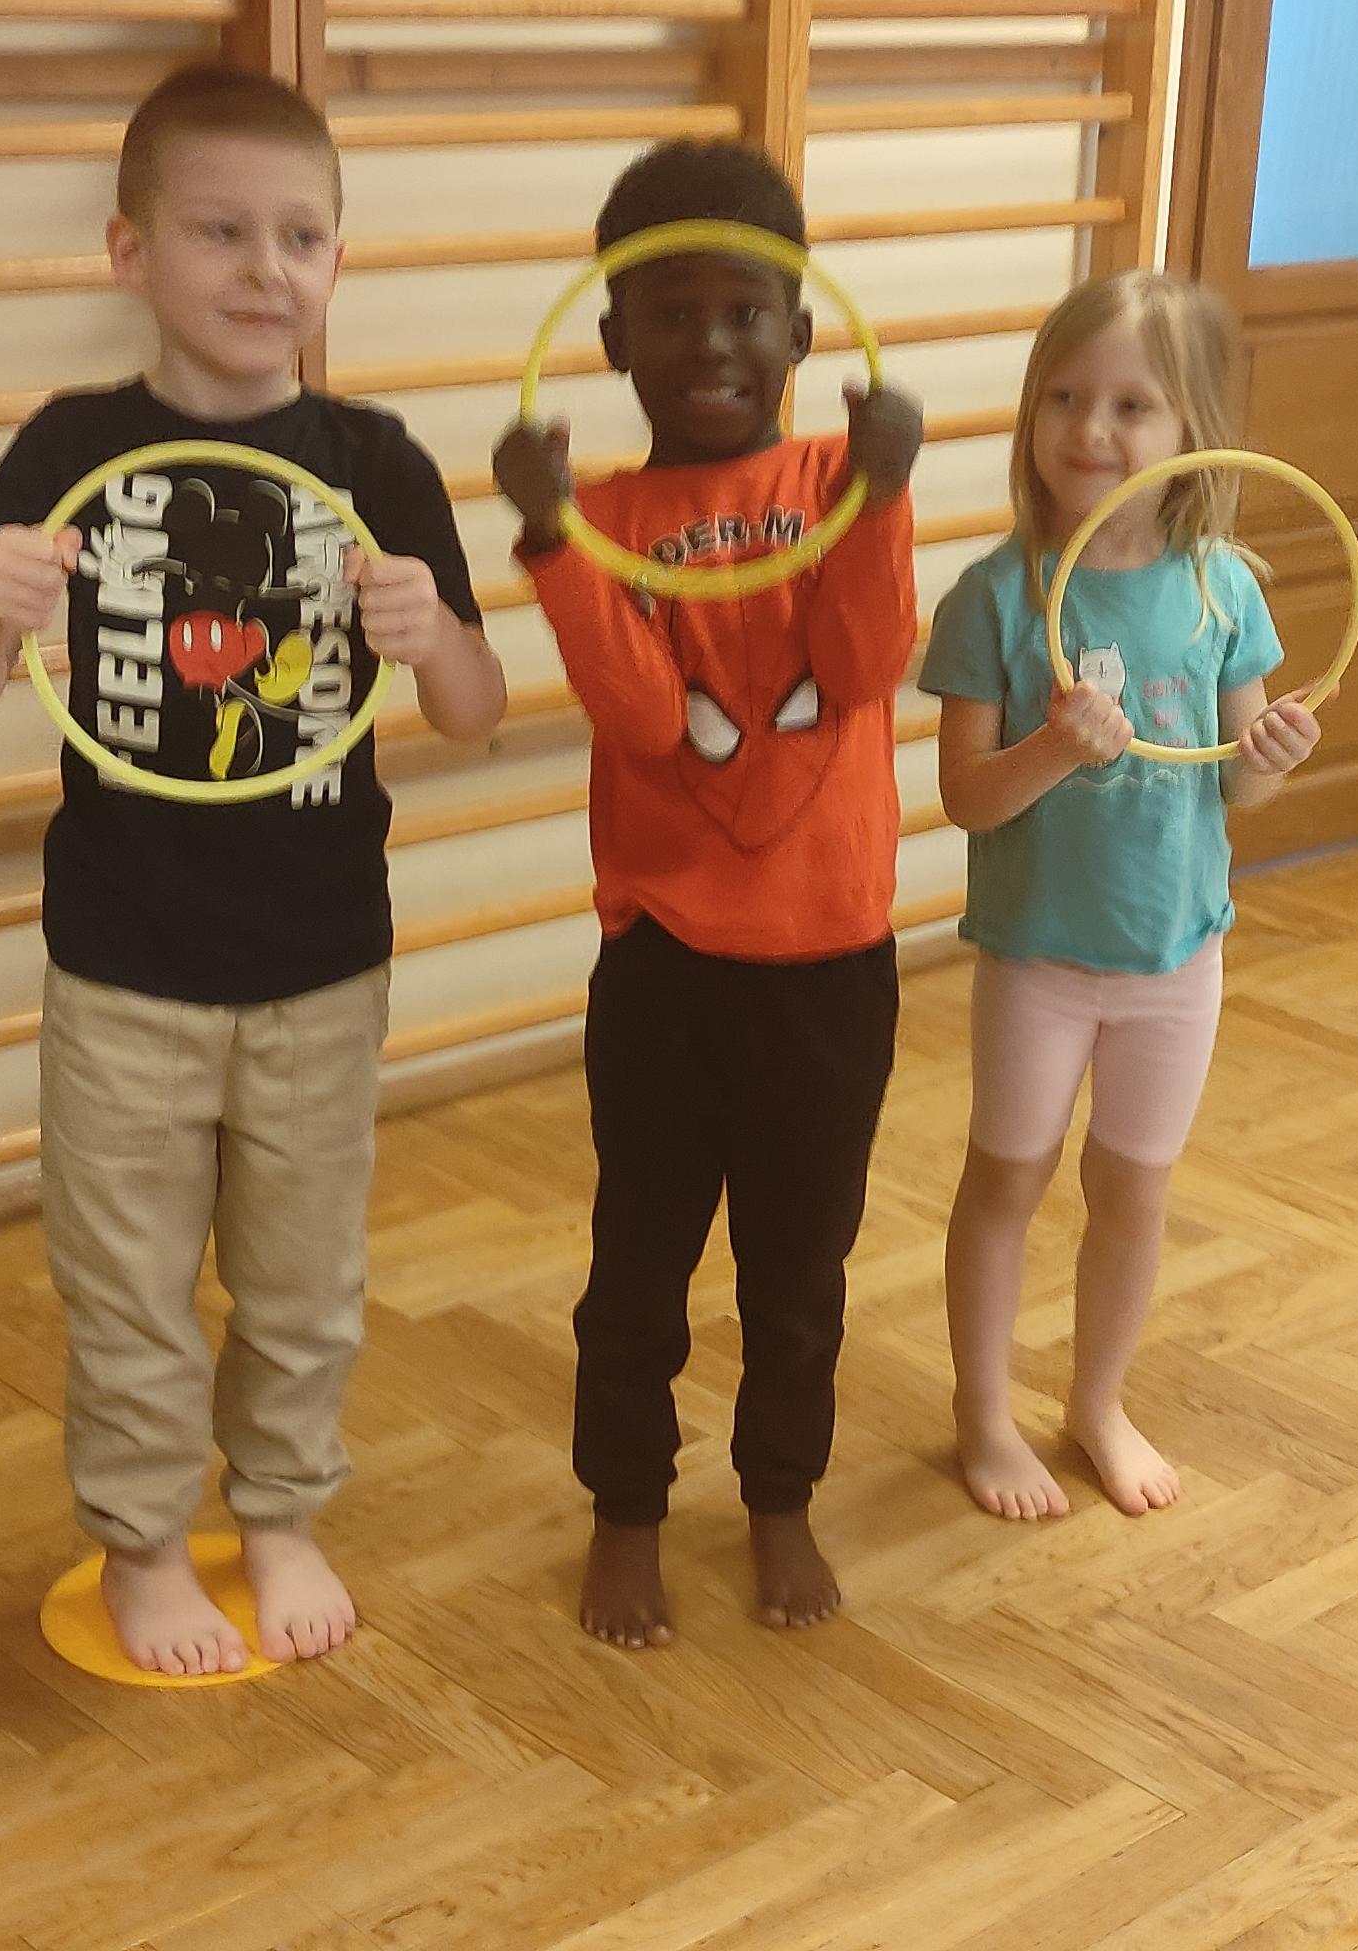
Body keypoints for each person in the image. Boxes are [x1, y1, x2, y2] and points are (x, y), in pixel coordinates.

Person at [0, 65, 507, 1676]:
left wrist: (431, 635)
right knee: (125, 1286)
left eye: (301, 236)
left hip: (322, 961)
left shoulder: (377, 463)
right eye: (220, 232)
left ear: (338, 262)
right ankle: (144, 1544)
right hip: (123, 965)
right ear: (130, 252)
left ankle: (283, 1511)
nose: (265, 269)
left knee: (304, 1282)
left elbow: (475, 709)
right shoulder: (70, 447)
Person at [491, 138, 922, 1648]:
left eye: (746, 313)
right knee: (639, 1265)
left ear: (804, 331)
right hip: (667, 965)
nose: (713, 345)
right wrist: (550, 538)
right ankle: (626, 1509)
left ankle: (779, 1497)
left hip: (832, 966)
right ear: (614, 340)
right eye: (672, 316)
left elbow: (862, 663)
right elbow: (640, 714)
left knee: (799, 1268)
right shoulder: (606, 513)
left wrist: (881, 495)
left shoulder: (834, 484)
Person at [922, 269, 1315, 1523]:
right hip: (1036, 963)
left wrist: (1272, 757)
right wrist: (1051, 747)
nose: (1091, 429)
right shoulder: (995, 597)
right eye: (1065, 397)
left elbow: (1242, 783)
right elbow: (967, 798)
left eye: (1132, 405)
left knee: (1133, 1191)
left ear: (1191, 427)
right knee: (1006, 1180)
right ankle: (984, 1413)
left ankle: (1097, 1400)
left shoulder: (1221, 588)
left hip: (1176, 961)